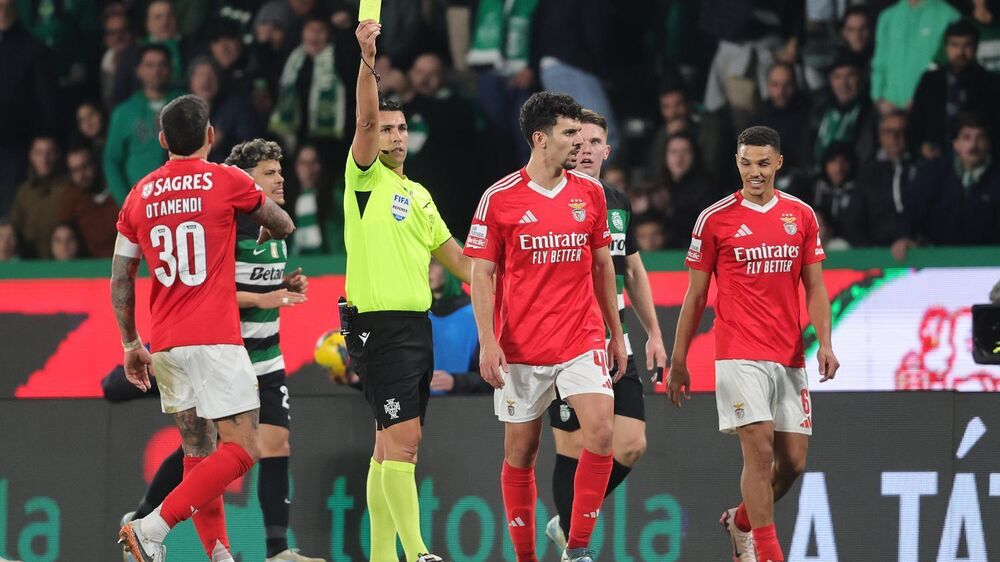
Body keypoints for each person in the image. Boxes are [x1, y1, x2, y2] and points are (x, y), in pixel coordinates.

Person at [114, 94, 295, 562]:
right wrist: (255, 222)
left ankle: (219, 553)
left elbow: (121, 276)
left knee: (199, 449)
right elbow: (283, 223)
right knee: (244, 449)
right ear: (211, 136)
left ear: (161, 141)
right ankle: (151, 528)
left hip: (167, 342)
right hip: (215, 338)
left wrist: (132, 343)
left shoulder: (139, 193)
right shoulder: (226, 179)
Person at [464, 92, 627, 562]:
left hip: (581, 337)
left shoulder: (590, 193)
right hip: (521, 346)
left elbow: (603, 267)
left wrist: (616, 334)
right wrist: (489, 343)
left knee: (600, 432)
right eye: (569, 133)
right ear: (540, 139)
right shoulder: (500, 199)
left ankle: (576, 550)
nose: (580, 143)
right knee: (522, 452)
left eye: (581, 133)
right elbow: (482, 275)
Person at [668, 126, 839, 562]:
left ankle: (741, 521)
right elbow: (696, 295)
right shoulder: (715, 219)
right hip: (738, 352)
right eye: (746, 163)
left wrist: (825, 343)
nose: (755, 172)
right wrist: (679, 358)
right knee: (759, 449)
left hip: (789, 355)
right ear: (738, 163)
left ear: (778, 163)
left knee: (793, 464)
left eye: (763, 163)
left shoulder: (800, 216)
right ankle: (767, 554)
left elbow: (816, 288)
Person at [344, 20, 470, 562]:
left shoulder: (417, 194)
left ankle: (381, 558)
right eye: (385, 128)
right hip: (379, 325)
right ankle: (417, 552)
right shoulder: (366, 179)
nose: (392, 135)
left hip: (415, 329)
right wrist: (368, 56)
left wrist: (521, 268)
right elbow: (365, 116)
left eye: (400, 128)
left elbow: (462, 263)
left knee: (386, 446)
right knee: (406, 443)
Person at [542, 109, 668, 552]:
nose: (585, 149)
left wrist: (653, 333)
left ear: (606, 150)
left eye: (595, 142)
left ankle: (567, 523)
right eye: (578, 141)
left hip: (614, 339)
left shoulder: (616, 202)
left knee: (631, 444)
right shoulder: (551, 196)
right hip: (565, 337)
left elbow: (631, 270)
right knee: (573, 448)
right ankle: (575, 549)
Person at [893, 112, 1000, 260]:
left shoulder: (996, 176)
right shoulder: (933, 172)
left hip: (989, 263)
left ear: (988, 143)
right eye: (967, 137)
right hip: (937, 261)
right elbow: (911, 210)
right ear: (956, 144)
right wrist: (904, 237)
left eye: (980, 137)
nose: (973, 145)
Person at [104, 44, 182, 204]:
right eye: (150, 65)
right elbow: (112, 160)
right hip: (143, 203)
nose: (156, 70)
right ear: (139, 70)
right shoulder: (124, 112)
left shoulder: (185, 104)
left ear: (170, 69)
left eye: (162, 65)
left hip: (182, 200)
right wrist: (126, 202)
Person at [908, 20, 996, 161]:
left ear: (976, 47)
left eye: (967, 45)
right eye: (955, 45)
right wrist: (921, 147)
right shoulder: (930, 81)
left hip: (978, 160)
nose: (960, 52)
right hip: (934, 160)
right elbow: (915, 124)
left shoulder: (991, 83)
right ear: (946, 47)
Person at [870, 0, 960, 114]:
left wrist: (925, 100)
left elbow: (952, 66)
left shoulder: (949, 16)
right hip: (889, 109)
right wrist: (878, 98)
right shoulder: (888, 16)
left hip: (931, 109)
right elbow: (880, 60)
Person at [842, 110, 915, 247]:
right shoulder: (867, 173)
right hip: (876, 254)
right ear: (879, 136)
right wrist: (871, 253)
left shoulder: (922, 169)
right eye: (888, 132)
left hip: (919, 251)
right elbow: (853, 220)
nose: (895, 137)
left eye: (900, 131)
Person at [428, 259, 489, 395]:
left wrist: (456, 382)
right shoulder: (417, 314)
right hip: (419, 406)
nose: (427, 268)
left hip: (463, 407)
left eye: (435, 262)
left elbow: (494, 376)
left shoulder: (477, 313)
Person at [10, 136, 71, 259]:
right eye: (39, 153)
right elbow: (15, 229)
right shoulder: (23, 192)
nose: (45, 159)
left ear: (57, 155)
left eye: (50, 153)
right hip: (30, 263)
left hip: (64, 263)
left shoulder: (68, 189)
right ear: (31, 156)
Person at [61, 145, 119, 258]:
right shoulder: (72, 198)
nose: (81, 175)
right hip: (88, 268)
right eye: (75, 171)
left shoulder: (119, 191)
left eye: (85, 167)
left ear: (95, 164)